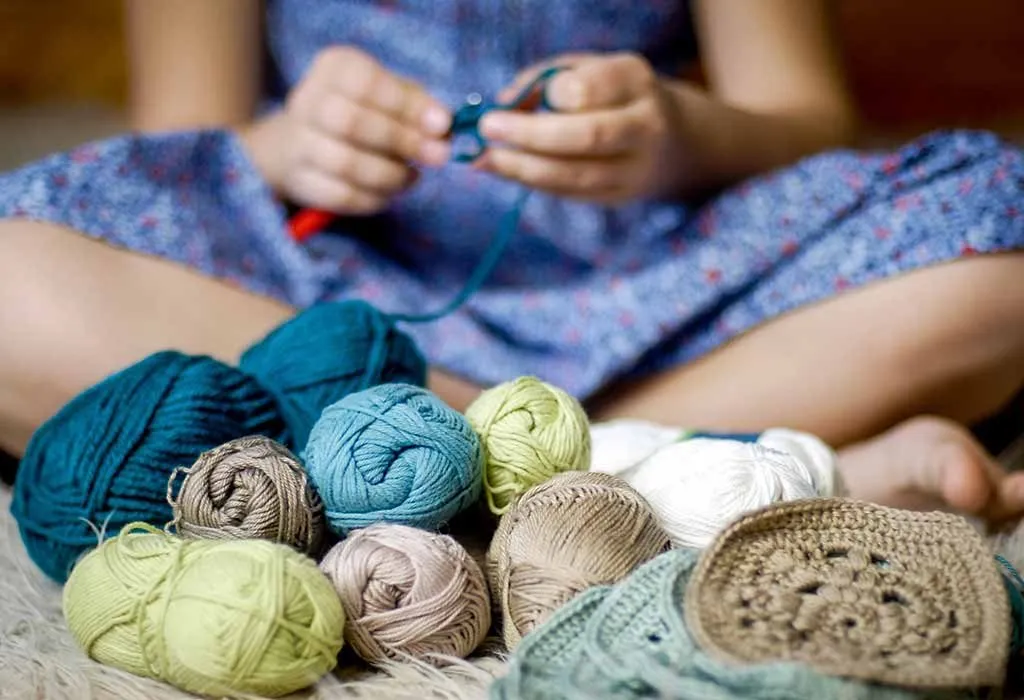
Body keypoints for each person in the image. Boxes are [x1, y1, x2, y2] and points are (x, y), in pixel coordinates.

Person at [0, 0, 1022, 521]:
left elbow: (808, 124)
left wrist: (677, 134)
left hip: (656, 288)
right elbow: (185, 145)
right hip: (325, 294)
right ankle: (678, 467)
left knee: (999, 248)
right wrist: (288, 149)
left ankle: (442, 468)